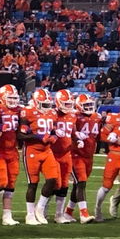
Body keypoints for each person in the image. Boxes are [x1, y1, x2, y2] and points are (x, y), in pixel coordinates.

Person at [18, 88, 59, 225]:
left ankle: (39, 209)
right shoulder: (28, 112)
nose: (47, 108)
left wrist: (53, 136)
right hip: (32, 151)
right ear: (36, 102)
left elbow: (52, 130)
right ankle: (30, 215)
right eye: (44, 104)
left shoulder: (52, 113)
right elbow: (21, 135)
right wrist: (39, 137)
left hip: (47, 151)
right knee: (33, 184)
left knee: (52, 179)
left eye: (49, 104)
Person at [94, 98, 120, 224]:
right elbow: (102, 135)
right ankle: (98, 210)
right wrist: (115, 140)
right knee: (106, 187)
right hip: (114, 156)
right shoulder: (114, 118)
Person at [0, 84, 22, 225]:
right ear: (2, 97)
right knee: (1, 182)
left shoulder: (19, 110)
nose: (13, 100)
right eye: (10, 97)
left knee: (11, 183)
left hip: (12, 150)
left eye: (15, 97)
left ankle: (7, 215)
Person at [65, 94, 99, 223]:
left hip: (89, 156)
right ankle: (84, 214)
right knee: (81, 182)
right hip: (75, 154)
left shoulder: (97, 117)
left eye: (90, 105)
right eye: (86, 105)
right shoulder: (74, 117)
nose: (89, 107)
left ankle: (68, 212)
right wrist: (75, 137)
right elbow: (68, 131)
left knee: (78, 185)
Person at [51, 89, 78, 223]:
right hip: (53, 153)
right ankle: (41, 210)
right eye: (65, 104)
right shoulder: (52, 114)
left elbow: (73, 132)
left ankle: (59, 214)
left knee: (65, 184)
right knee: (55, 183)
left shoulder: (72, 116)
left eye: (69, 104)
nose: (68, 107)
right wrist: (54, 130)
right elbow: (44, 128)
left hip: (66, 153)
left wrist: (77, 138)